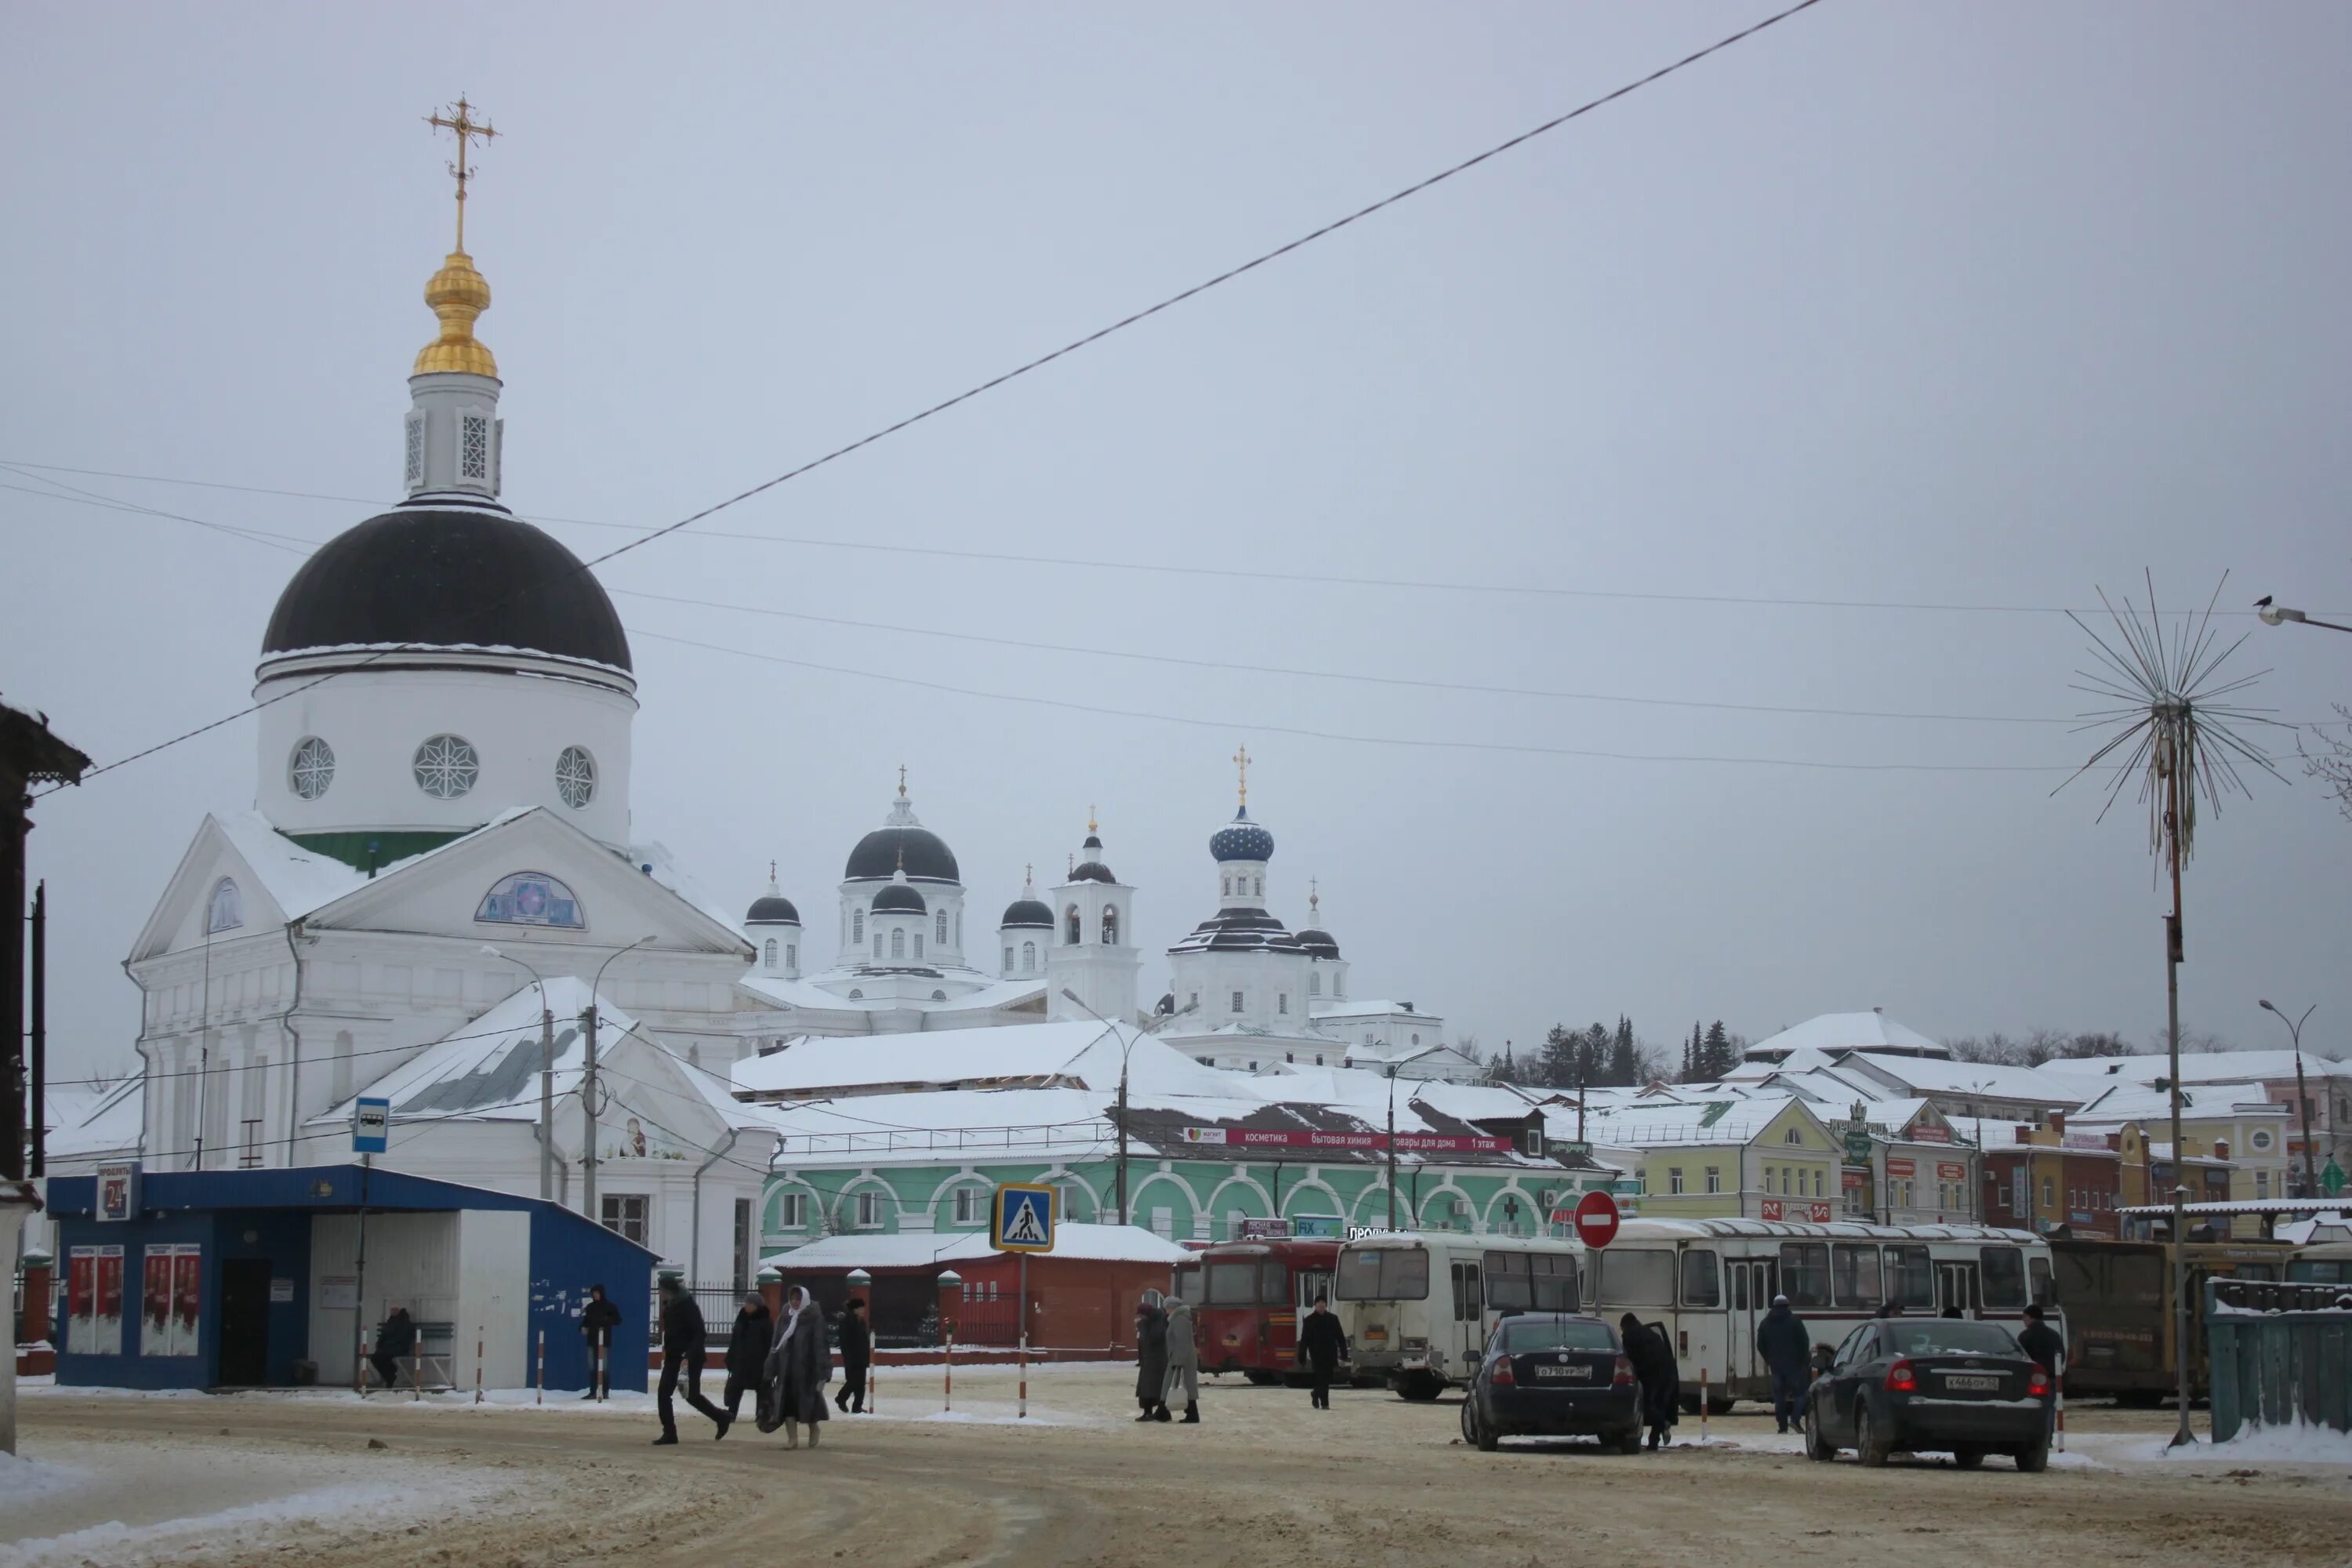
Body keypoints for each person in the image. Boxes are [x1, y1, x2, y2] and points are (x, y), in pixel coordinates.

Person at [653, 1278, 728, 1445]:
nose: (659, 1293)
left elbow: (700, 1332)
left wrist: (689, 1356)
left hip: (689, 1360)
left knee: (691, 1396)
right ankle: (670, 1433)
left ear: (669, 1291)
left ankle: (722, 1417)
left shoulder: (687, 1306)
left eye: (661, 1290)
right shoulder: (670, 1305)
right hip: (673, 1359)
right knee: (663, 1394)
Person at [762, 1285, 832, 1448]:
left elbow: (820, 1346)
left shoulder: (815, 1319)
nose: (794, 1302)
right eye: (792, 1298)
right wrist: (770, 1368)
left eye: (798, 1299)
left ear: (805, 1300)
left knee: (809, 1405)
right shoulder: (784, 1318)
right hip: (786, 1371)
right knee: (786, 1406)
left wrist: (823, 1372)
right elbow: (776, 1344)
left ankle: (814, 1429)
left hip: (807, 1371)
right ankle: (792, 1439)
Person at [1619, 1313, 1679, 1451]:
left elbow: (1630, 1359)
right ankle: (1653, 1443)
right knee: (1660, 1405)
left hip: (1651, 1374)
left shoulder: (1629, 1336)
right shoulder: (1651, 1333)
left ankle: (1663, 1424)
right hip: (1669, 1372)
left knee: (1646, 1404)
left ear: (1624, 1326)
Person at [1755, 1293, 1811, 1435]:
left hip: (1776, 1366)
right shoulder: (1795, 1321)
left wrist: (1769, 1359)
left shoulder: (1765, 1323)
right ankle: (1795, 1419)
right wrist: (1803, 1361)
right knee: (1801, 1393)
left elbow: (1760, 1345)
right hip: (1795, 1365)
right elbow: (1804, 1343)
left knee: (1779, 1396)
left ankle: (1782, 1427)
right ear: (1787, 1306)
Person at [719, 1291, 772, 1432]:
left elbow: (769, 1343)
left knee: (761, 1389)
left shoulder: (765, 1321)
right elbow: (735, 1341)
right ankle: (731, 1413)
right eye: (746, 1303)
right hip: (740, 1361)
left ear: (756, 1306)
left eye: (749, 1303)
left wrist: (770, 1362)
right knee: (736, 1388)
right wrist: (730, 1357)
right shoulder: (741, 1319)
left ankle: (760, 1414)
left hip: (758, 1363)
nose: (746, 1306)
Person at [1296, 1294, 1348, 1411]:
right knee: (1321, 1378)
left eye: (1323, 1303)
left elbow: (1340, 1337)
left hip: (1330, 1353)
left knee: (1328, 1378)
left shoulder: (1333, 1319)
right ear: (1315, 1305)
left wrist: (1344, 1353)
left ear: (1326, 1305)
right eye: (1319, 1303)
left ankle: (1316, 1393)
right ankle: (1325, 1403)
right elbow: (1305, 1340)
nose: (1321, 1305)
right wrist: (1302, 1355)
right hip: (1316, 1354)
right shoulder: (1309, 1320)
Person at [1163, 1291, 1201, 1424]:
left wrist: (1179, 1361)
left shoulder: (1179, 1319)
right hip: (1180, 1356)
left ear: (1172, 1307)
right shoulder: (1178, 1318)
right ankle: (1190, 1413)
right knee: (1186, 1385)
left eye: (1167, 1307)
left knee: (1187, 1385)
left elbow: (1182, 1341)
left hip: (1182, 1358)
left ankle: (1192, 1415)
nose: (1166, 1310)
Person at [1134, 1290, 1171, 1422]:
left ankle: (1158, 1413)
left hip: (1156, 1362)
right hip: (1151, 1361)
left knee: (1153, 1389)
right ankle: (1154, 1412)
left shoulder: (1156, 1322)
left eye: (1141, 1315)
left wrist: (1141, 1325)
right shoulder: (1154, 1320)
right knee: (1150, 1389)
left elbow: (1153, 1338)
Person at [579, 1283, 621, 1399]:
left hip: (604, 1341)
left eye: (597, 1293)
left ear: (602, 1293)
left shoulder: (609, 1307)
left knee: (604, 1367)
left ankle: (605, 1391)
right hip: (592, 1340)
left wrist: (607, 1320)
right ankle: (593, 1391)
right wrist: (582, 1328)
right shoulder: (590, 1307)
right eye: (594, 1294)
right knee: (592, 1367)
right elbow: (586, 1321)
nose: (595, 1295)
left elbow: (618, 1320)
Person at [833, 1297, 872, 1414]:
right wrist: (848, 1358)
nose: (863, 1310)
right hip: (852, 1358)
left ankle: (857, 1407)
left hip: (862, 1358)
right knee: (853, 1381)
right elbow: (845, 1342)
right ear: (855, 1309)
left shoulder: (861, 1321)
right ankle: (841, 1398)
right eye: (861, 1308)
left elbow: (864, 1340)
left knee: (861, 1384)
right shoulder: (847, 1321)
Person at [369, 1305, 416, 1390]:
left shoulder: (404, 1322)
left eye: (395, 1310)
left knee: (381, 1357)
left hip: (399, 1348)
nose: (393, 1311)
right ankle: (390, 1375)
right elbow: (384, 1335)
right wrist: (380, 1344)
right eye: (392, 1310)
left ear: (399, 1310)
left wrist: (387, 1344)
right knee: (375, 1358)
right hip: (389, 1348)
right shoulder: (391, 1321)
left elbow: (403, 1338)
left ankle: (390, 1377)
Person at [2016, 1303, 2064, 1378]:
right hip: (2052, 1376)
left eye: (2024, 1316)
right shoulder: (2054, 1335)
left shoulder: (2024, 1336)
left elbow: (2019, 1357)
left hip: (2033, 1377)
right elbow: (2062, 1356)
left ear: (2030, 1317)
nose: (2023, 1320)